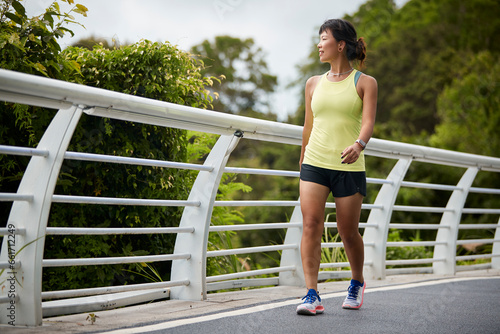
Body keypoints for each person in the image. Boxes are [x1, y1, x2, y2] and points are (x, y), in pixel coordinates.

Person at [296, 18, 377, 316]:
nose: (319, 44)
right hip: (315, 164)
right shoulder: (313, 83)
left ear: (340, 45)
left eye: (324, 39)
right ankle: (311, 294)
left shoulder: (365, 83)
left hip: (349, 166)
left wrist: (359, 145)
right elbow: (308, 126)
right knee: (310, 225)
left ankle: (357, 282)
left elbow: (368, 122)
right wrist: (302, 158)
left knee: (348, 231)